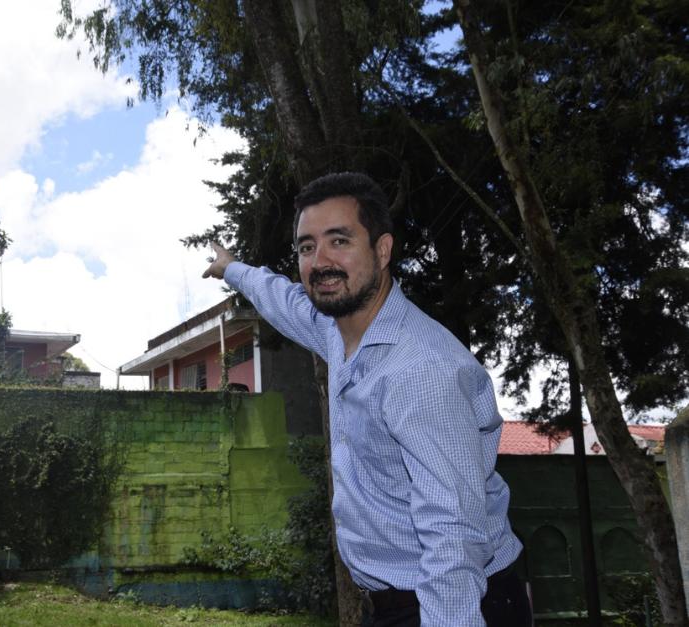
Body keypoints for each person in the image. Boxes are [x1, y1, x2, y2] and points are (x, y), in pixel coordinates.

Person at [202, 172, 532, 626]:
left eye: (339, 241)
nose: (320, 262)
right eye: (306, 247)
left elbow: (454, 534)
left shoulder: (419, 369)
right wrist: (232, 269)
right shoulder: (337, 330)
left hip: (453, 603)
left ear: (382, 250)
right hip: (394, 602)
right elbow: (283, 300)